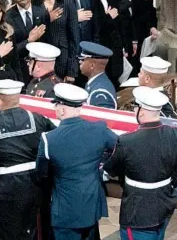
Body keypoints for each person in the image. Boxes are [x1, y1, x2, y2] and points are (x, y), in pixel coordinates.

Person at [104, 86, 177, 240]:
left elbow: (111, 169)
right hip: (165, 204)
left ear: (141, 111)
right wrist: (170, 182)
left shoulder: (127, 141)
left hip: (137, 213)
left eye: (135, 107)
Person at [0, 79, 57, 240]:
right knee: (35, 231)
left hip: (7, 189)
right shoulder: (38, 120)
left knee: (8, 233)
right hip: (36, 186)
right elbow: (54, 143)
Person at [36, 83, 118, 239]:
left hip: (65, 211)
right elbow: (120, 149)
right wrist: (103, 166)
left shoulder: (49, 139)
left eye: (56, 105)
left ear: (62, 109)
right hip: (91, 205)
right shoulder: (99, 130)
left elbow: (41, 172)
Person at [33, 0, 80, 82]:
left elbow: (74, 38)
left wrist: (71, 70)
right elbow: (31, 29)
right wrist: (47, 19)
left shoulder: (67, 3)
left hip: (62, 60)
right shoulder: (34, 4)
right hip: (40, 59)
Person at [5, 0, 49, 85]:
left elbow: (48, 42)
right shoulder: (7, 17)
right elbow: (10, 51)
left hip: (41, 68)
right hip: (19, 70)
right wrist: (29, 41)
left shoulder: (42, 12)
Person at [79, 41, 117, 109]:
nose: (80, 61)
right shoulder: (95, 83)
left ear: (92, 65)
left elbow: (102, 119)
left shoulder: (100, 94)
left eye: (83, 59)